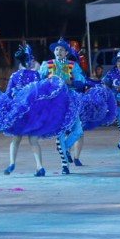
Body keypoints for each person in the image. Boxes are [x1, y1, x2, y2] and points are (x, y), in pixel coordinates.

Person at [0, 44, 79, 177]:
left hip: (18, 112)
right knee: (33, 140)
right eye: (32, 58)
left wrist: (14, 99)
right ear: (27, 60)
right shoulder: (35, 75)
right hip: (33, 113)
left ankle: (12, 163)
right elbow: (42, 92)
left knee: (16, 139)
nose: (33, 60)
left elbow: (7, 94)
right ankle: (40, 167)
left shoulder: (14, 76)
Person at [38, 38, 87, 174]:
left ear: (66, 52)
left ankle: (65, 148)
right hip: (54, 103)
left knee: (78, 130)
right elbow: (39, 82)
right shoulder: (47, 65)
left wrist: (69, 82)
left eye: (61, 49)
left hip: (70, 101)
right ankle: (64, 164)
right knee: (59, 133)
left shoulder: (72, 65)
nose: (58, 51)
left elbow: (81, 83)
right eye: (56, 49)